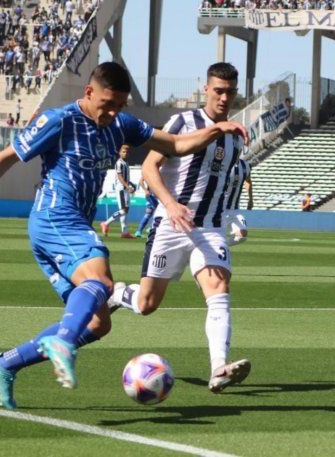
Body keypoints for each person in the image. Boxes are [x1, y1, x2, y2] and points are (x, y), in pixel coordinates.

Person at [0, 62, 248, 409]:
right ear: (88, 93)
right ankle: (63, 342)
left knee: (98, 323)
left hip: (73, 224)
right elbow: (8, 157)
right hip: (55, 218)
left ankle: (5, 364)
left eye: (120, 105)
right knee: (102, 281)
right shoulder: (60, 120)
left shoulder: (121, 124)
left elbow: (174, 143)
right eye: (107, 104)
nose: (113, 112)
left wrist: (217, 130)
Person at [107, 62, 251, 394]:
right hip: (170, 225)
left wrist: (233, 218)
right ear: (206, 88)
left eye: (230, 91)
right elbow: (148, 167)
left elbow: (223, 184)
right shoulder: (182, 122)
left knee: (219, 292)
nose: (224, 97)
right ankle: (118, 293)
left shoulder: (237, 135)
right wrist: (171, 205)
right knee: (146, 305)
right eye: (218, 90)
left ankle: (219, 369)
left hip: (210, 228)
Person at [100, 144, 135, 238]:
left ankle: (124, 232)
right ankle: (106, 223)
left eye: (127, 152)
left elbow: (125, 177)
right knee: (123, 210)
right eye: (123, 151)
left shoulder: (125, 163)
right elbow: (120, 177)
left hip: (125, 188)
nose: (125, 153)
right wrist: (128, 187)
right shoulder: (119, 163)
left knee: (125, 210)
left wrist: (131, 184)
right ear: (119, 153)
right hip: (121, 189)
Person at [224, 158, 252, 246]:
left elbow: (248, 180)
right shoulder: (223, 163)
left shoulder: (245, 165)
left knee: (242, 235)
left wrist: (250, 198)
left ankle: (223, 246)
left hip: (235, 209)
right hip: (219, 209)